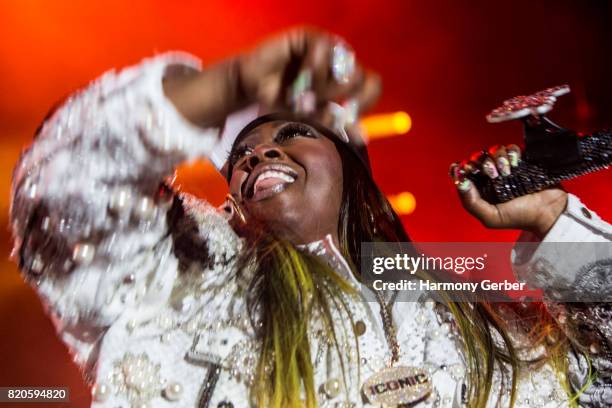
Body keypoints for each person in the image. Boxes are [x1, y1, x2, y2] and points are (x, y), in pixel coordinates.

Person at [10, 28, 611, 407]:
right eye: (241, 155)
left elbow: (601, 382)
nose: (260, 153)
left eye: (294, 134)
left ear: (353, 174)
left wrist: (554, 220)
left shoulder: (468, 322)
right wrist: (229, 83)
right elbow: (64, 199)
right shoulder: (184, 285)